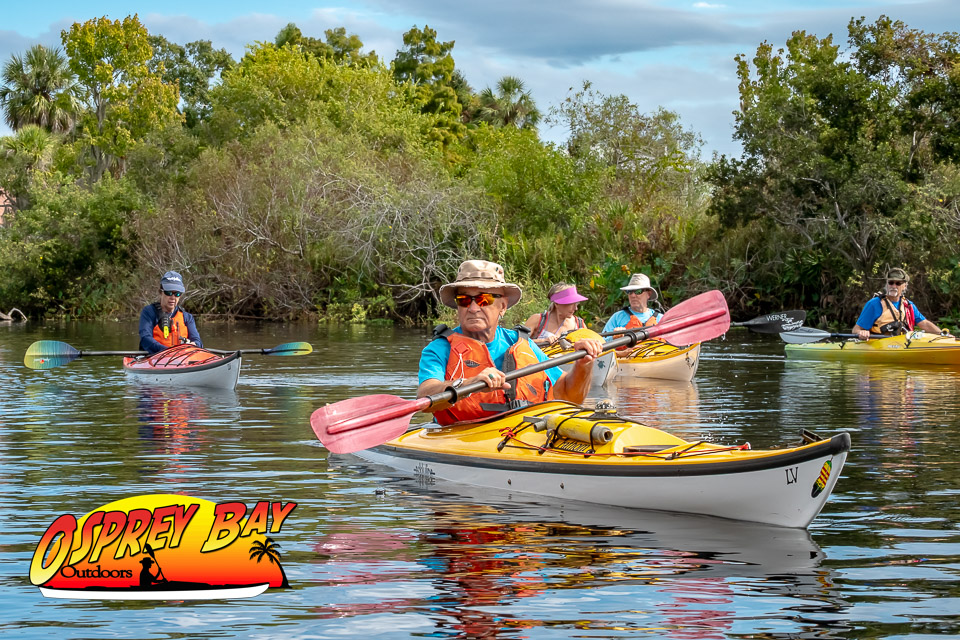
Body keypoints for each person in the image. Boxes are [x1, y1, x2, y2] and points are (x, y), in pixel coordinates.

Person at [417, 260, 604, 425]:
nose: (473, 308)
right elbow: (425, 396)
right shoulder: (439, 348)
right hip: (463, 437)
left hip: (521, 434)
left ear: (503, 307)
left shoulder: (522, 343)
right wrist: (468, 383)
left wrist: (583, 365)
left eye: (484, 299)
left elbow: (569, 397)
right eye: (464, 300)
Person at [852, 268, 946, 340]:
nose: (894, 286)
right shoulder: (874, 304)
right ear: (886, 284)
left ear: (905, 286)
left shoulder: (908, 305)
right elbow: (856, 329)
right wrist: (862, 333)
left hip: (901, 343)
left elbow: (924, 324)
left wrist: (942, 334)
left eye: (898, 283)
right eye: (891, 283)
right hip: (878, 343)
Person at [138, 270, 203, 354]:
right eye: (169, 293)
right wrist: (168, 352)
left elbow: (198, 341)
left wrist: (193, 345)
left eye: (177, 294)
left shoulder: (187, 317)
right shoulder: (149, 312)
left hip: (182, 358)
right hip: (154, 358)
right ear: (161, 292)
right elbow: (145, 339)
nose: (173, 297)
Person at [524, 282, 588, 346]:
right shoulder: (538, 320)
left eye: (576, 304)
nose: (575, 308)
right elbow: (519, 342)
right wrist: (543, 341)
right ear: (557, 304)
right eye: (571, 304)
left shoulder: (579, 324)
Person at [602, 272, 662, 338]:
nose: (633, 295)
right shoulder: (617, 317)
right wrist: (613, 338)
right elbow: (602, 341)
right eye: (629, 291)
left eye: (638, 291)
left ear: (649, 294)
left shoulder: (661, 319)